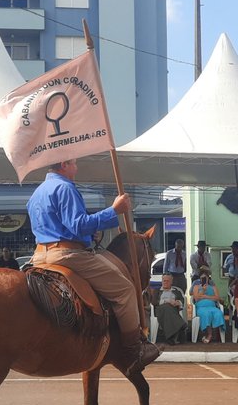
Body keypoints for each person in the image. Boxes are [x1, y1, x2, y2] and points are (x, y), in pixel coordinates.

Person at [26, 159, 161, 377]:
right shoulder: (65, 188)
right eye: (74, 164)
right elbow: (78, 224)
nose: (76, 168)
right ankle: (134, 349)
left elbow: (65, 226)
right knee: (125, 289)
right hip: (68, 255)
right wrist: (114, 210)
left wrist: (89, 235)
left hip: (40, 256)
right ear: (63, 164)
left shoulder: (37, 193)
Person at [150, 274, 187, 345]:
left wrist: (177, 302)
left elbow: (182, 301)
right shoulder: (157, 291)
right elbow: (154, 302)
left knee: (169, 309)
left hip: (173, 311)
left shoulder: (176, 291)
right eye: (164, 281)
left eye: (167, 281)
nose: (165, 282)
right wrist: (167, 301)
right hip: (160, 310)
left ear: (171, 282)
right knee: (167, 306)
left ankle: (171, 338)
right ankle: (180, 326)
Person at [192, 269, 225, 343]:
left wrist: (205, 296)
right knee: (206, 314)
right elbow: (196, 298)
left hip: (212, 306)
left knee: (218, 313)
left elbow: (217, 298)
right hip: (201, 307)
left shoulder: (213, 287)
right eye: (201, 278)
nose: (203, 279)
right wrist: (203, 290)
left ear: (208, 278)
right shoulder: (196, 287)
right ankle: (209, 334)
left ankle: (216, 334)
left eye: (205, 278)